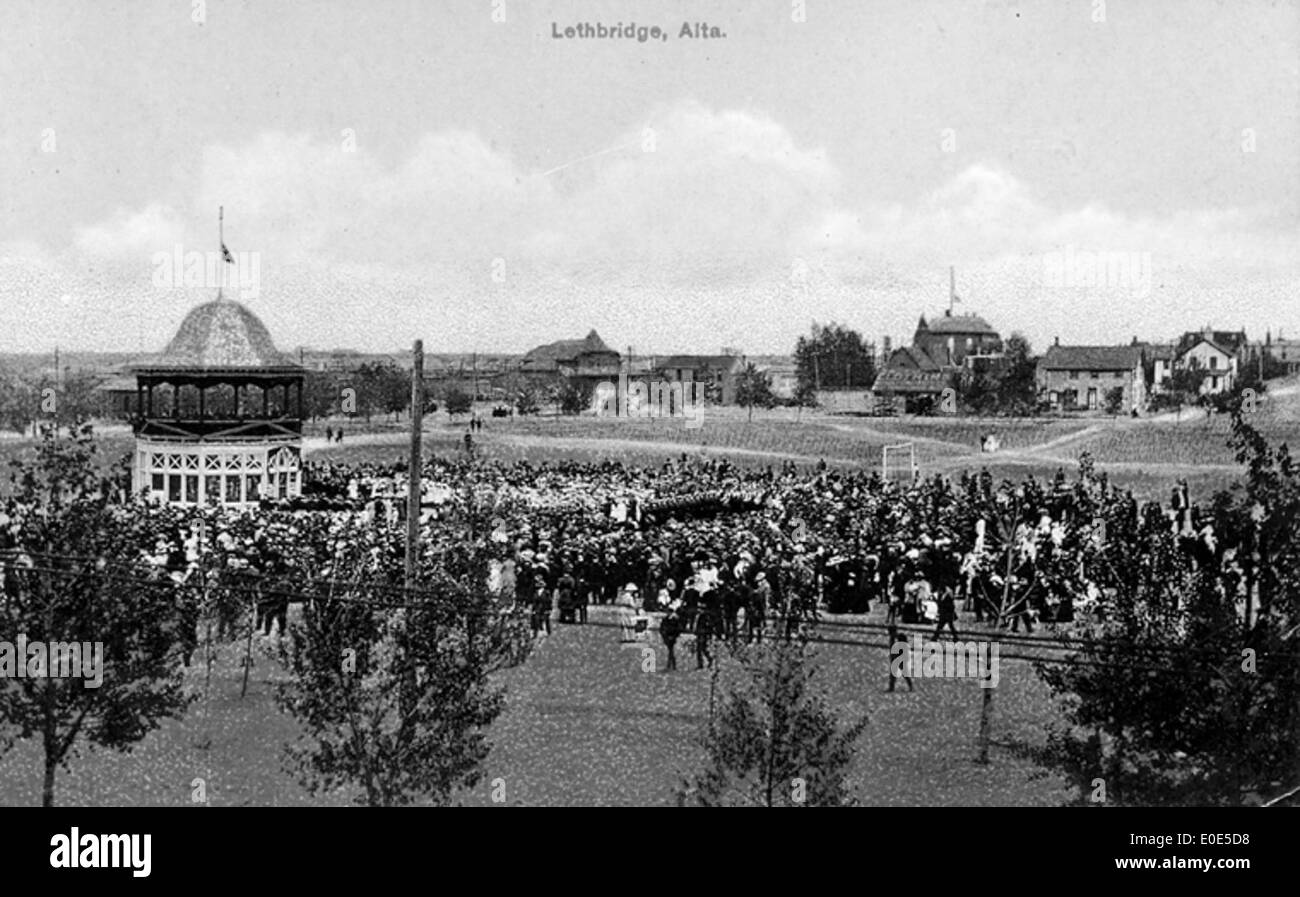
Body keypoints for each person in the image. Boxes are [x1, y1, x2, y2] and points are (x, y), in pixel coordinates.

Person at [886, 621, 914, 692]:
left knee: (903, 673)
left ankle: (910, 686)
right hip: (896, 657)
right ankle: (892, 687)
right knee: (894, 674)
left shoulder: (898, 637)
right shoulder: (893, 638)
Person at [659, 603, 682, 671]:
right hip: (667, 636)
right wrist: (664, 635)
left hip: (672, 637)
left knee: (671, 651)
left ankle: (671, 665)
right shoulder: (666, 619)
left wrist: (674, 636)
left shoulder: (675, 619)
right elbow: (662, 628)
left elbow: (678, 629)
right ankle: (671, 665)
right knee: (670, 651)